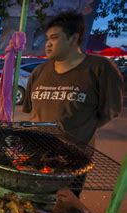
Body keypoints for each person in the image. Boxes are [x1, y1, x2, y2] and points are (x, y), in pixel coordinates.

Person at [22, 11, 123, 145]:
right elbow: (31, 111)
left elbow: (109, 111)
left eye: (54, 37)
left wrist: (81, 131)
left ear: (73, 39)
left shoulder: (101, 68)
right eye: (47, 38)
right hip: (38, 150)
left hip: (76, 156)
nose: (48, 44)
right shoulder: (39, 71)